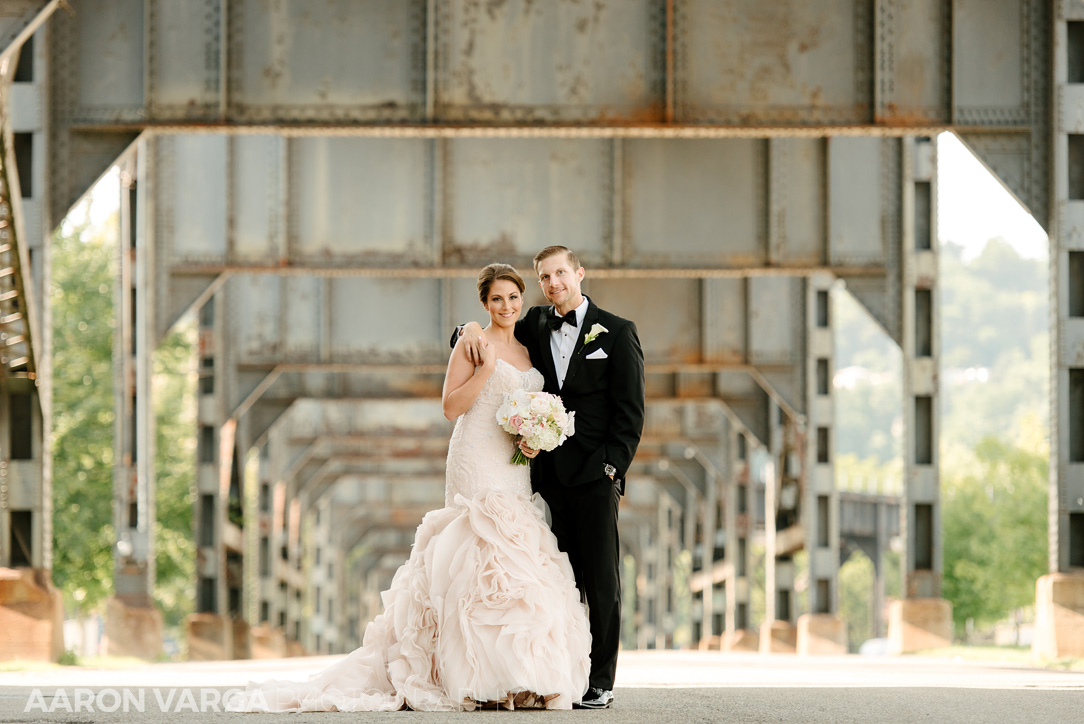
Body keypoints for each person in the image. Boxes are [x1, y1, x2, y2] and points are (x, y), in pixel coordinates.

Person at [227, 264, 590, 712]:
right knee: (475, 553)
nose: (507, 307)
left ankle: (522, 676)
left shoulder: (529, 345)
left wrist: (531, 438)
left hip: (512, 464)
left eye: (513, 297)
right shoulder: (473, 343)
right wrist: (484, 370)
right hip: (475, 455)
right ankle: (473, 677)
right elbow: (450, 406)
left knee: (516, 562)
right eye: (496, 300)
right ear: (484, 304)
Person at [454, 246, 645, 710]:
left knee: (601, 580)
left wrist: (610, 468)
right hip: (540, 478)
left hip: (593, 476)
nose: (554, 282)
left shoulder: (617, 333)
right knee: (557, 580)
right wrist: (469, 327)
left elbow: (631, 411)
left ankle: (601, 680)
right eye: (545, 276)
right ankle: (567, 670)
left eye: (561, 272)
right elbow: (489, 333)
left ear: (578, 273)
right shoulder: (535, 324)